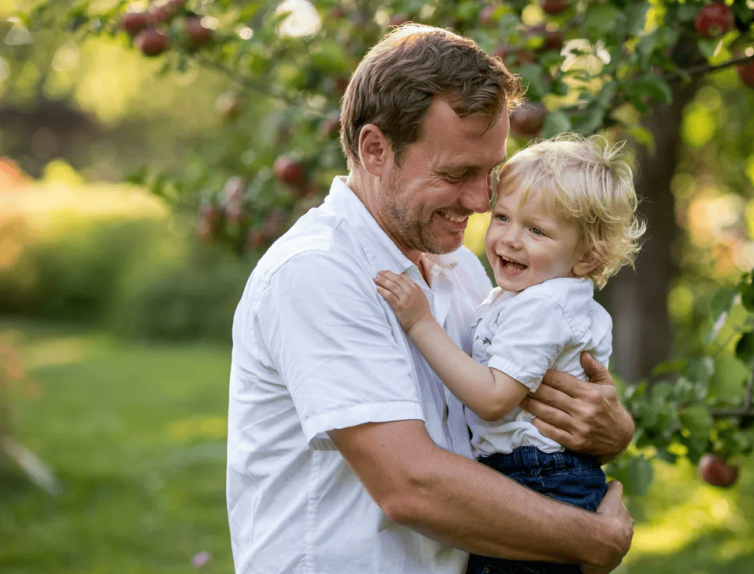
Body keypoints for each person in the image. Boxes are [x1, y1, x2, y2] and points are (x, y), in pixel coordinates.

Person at [226, 24, 635, 574]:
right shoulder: (318, 271)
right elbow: (411, 486)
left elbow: (505, 413)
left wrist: (610, 432)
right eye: (457, 173)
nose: (480, 201)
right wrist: (592, 539)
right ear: (375, 150)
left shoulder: (463, 270)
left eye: (490, 173)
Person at [374, 134, 644, 574]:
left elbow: (495, 398)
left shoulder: (544, 306)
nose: (510, 239)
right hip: (538, 475)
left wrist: (420, 324)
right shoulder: (522, 294)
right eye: (502, 217)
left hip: (540, 480)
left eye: (536, 230)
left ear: (586, 256)